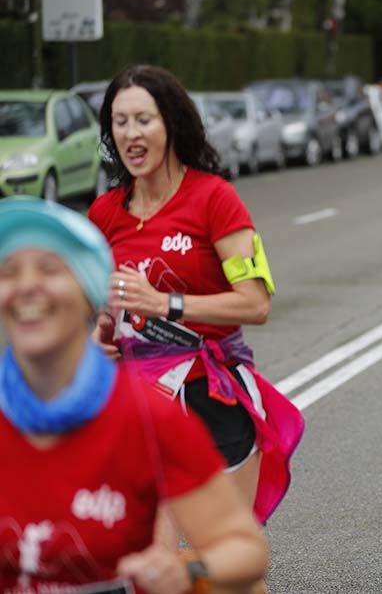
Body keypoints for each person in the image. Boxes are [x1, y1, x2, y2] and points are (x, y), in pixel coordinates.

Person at [0, 197, 268, 594]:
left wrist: (189, 570)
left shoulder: (147, 416)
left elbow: (246, 550)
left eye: (49, 269)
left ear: (89, 292)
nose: (26, 286)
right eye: (8, 271)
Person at [88, 65, 304, 536]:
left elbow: (255, 304)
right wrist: (98, 338)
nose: (130, 133)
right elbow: (105, 308)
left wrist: (166, 304)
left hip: (211, 395)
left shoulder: (214, 200)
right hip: (140, 401)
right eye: (119, 122)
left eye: (143, 120)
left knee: (228, 563)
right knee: (150, 559)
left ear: (171, 123)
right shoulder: (105, 213)